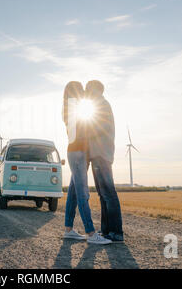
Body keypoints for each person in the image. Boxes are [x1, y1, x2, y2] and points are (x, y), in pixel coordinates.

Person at [62, 81, 112, 245]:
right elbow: (78, 132)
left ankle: (68, 230)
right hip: (77, 153)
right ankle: (91, 233)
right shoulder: (72, 107)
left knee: (73, 193)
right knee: (83, 193)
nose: (84, 92)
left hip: (77, 152)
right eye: (81, 89)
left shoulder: (73, 106)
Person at [85, 80, 124, 242]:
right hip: (97, 154)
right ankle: (106, 230)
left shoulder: (102, 106)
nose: (86, 91)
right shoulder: (98, 105)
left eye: (88, 89)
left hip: (102, 155)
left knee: (109, 194)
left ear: (97, 90)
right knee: (102, 195)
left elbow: (101, 129)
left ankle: (116, 232)